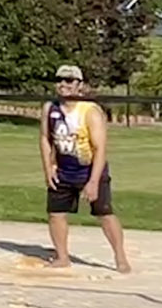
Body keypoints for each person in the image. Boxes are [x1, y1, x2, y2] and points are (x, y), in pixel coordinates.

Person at [41, 64, 131, 273]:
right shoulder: (50, 108)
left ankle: (120, 256)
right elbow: (45, 139)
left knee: (104, 213)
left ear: (79, 85)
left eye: (69, 80)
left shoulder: (90, 111)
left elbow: (100, 149)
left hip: (89, 169)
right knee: (56, 213)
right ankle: (62, 257)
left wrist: (93, 182)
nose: (63, 84)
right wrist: (48, 167)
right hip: (63, 169)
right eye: (60, 80)